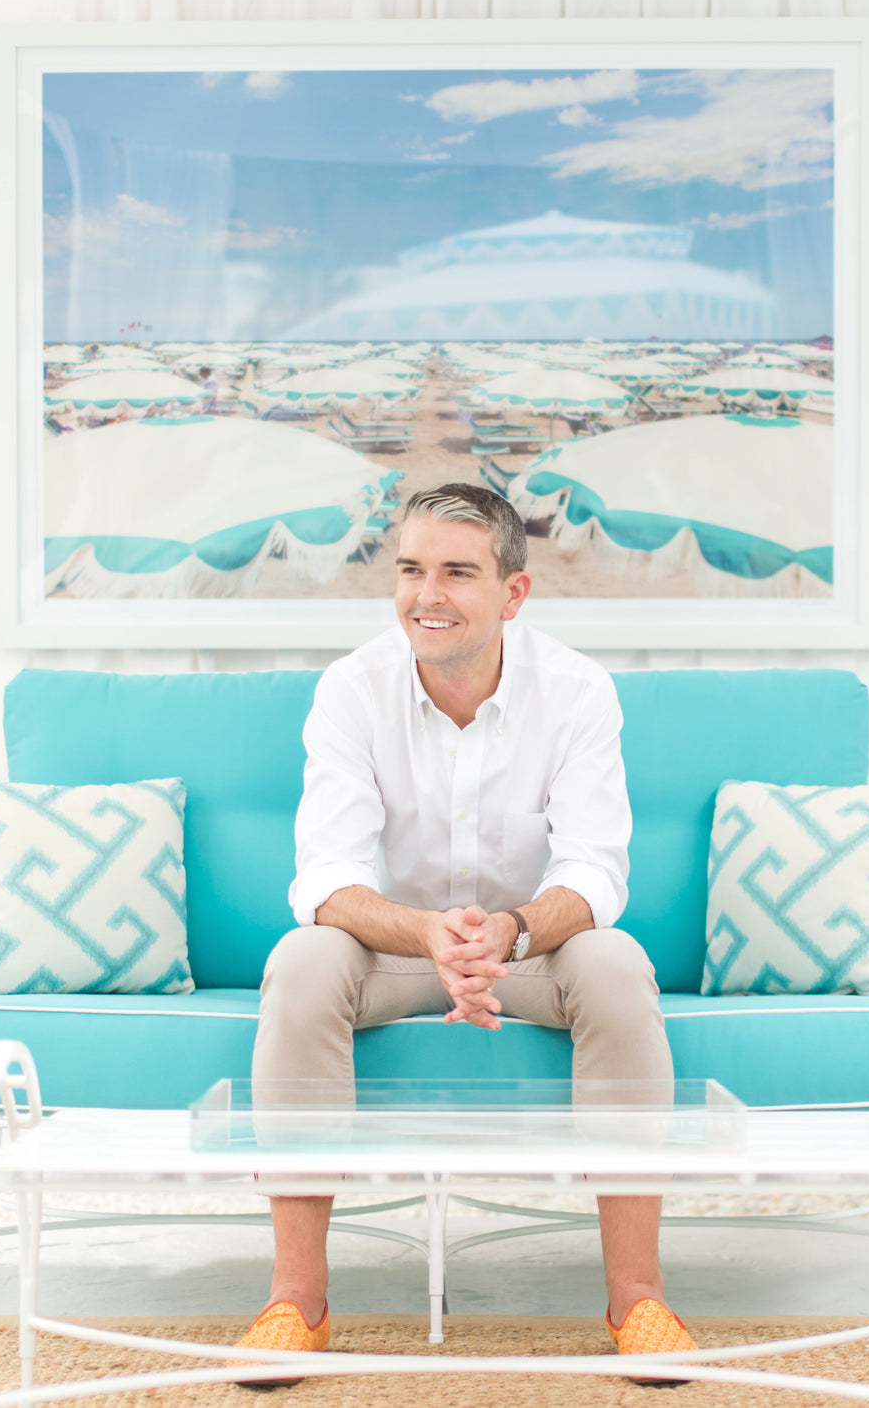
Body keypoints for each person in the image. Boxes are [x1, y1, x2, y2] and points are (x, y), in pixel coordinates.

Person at [236, 482, 694, 1371]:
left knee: (615, 961)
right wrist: (430, 935)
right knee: (302, 959)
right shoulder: (351, 690)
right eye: (411, 570)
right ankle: (296, 1298)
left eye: (456, 573)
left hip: (532, 953)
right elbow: (325, 875)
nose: (426, 595)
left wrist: (511, 932)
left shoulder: (578, 692)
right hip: (397, 954)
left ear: (512, 595)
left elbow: (595, 871)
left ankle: (638, 1299)